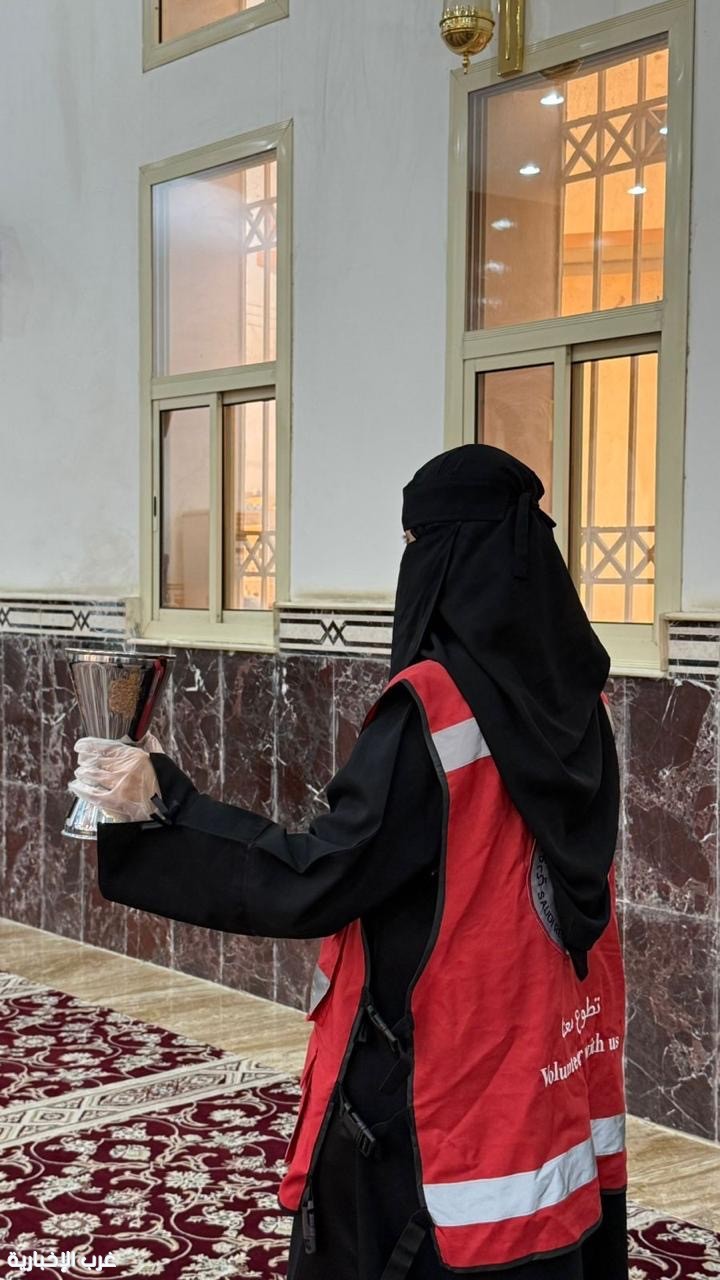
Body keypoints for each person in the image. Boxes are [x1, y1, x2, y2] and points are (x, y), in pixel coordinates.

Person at [70, 444, 628, 1280]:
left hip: (438, 1097)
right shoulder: (582, 700)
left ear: (445, 557)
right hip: (547, 1072)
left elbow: (319, 878)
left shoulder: (434, 714)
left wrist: (165, 803)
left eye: (415, 547)